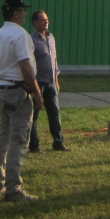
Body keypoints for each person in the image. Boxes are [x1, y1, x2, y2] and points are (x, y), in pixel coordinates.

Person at [0, 0, 43, 203]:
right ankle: (13, 188)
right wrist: (37, 93)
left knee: (3, 137)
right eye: (23, 11)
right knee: (18, 140)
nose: (25, 15)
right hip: (17, 91)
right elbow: (26, 66)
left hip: (1, 89)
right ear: (16, 14)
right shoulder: (20, 35)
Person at [28, 10, 70, 153]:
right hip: (38, 83)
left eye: (46, 20)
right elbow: (29, 64)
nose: (46, 22)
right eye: (42, 20)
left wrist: (56, 80)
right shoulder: (31, 40)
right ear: (34, 22)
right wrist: (33, 86)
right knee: (34, 116)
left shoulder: (51, 37)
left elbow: (54, 61)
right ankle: (34, 145)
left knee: (54, 113)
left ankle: (58, 142)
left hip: (51, 82)